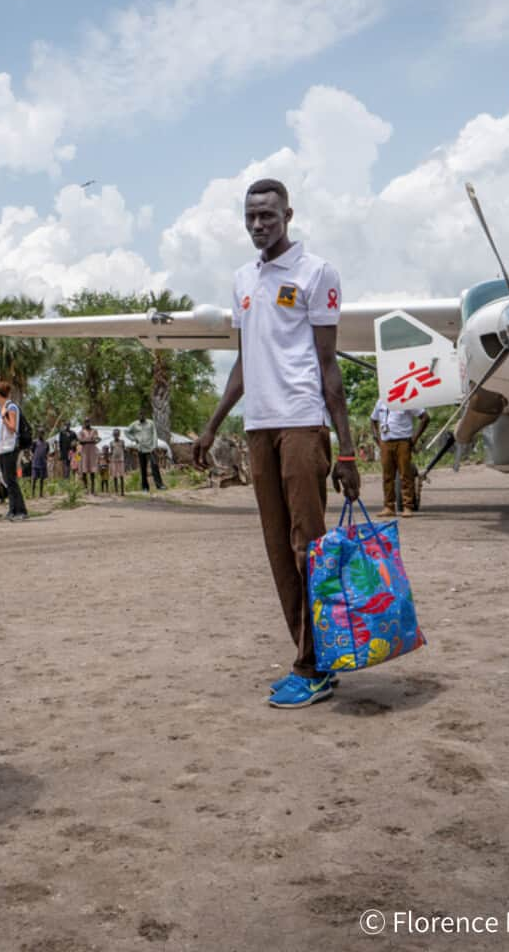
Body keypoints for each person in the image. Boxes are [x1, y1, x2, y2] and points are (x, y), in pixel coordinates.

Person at [194, 178, 359, 710]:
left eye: (268, 215)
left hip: (302, 425)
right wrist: (214, 424)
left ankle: (315, 666)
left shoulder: (316, 273)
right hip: (259, 428)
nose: (258, 225)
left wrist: (348, 449)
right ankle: (310, 660)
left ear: (288, 214)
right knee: (277, 551)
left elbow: (329, 366)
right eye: (250, 217)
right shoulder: (244, 278)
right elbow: (245, 361)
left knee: (308, 546)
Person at [370, 397, 429, 518]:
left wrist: (414, 438)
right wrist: (377, 438)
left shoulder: (406, 399)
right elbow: (373, 420)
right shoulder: (380, 401)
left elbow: (425, 417)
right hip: (386, 442)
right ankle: (389, 507)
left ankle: (407, 506)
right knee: (387, 476)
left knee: (405, 475)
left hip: (403, 441)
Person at [0, 381, 28, 520]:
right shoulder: (0, 408)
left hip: (10, 447)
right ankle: (14, 509)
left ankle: (20, 510)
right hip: (1, 448)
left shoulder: (11, 407)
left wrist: (4, 418)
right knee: (7, 479)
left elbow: (13, 427)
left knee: (11, 479)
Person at [126, 406, 165, 492]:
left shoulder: (150, 423)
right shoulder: (134, 424)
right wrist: (133, 439)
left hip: (151, 448)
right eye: (139, 415)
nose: (141, 417)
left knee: (154, 466)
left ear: (145, 416)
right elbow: (126, 432)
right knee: (143, 468)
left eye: (142, 415)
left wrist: (155, 446)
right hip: (141, 448)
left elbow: (155, 434)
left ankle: (160, 485)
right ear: (138, 416)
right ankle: (145, 487)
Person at [78, 418, 100, 493]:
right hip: (84, 453)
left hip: (92, 452)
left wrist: (87, 440)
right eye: (85, 422)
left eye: (88, 421)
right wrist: (91, 440)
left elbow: (98, 439)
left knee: (92, 470)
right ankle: (85, 488)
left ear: (90, 422)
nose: (87, 423)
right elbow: (80, 441)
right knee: (84, 470)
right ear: (84, 423)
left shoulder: (94, 431)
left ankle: (93, 489)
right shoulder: (81, 432)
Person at [30, 430, 49, 498]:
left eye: (42, 433)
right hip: (35, 463)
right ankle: (32, 493)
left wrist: (45, 459)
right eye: (39, 433)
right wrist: (33, 457)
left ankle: (41, 494)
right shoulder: (35, 442)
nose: (40, 435)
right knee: (34, 478)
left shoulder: (46, 443)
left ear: (43, 434)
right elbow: (32, 451)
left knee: (41, 479)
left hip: (42, 463)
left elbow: (47, 451)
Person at [109, 428, 126, 496]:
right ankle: (116, 490)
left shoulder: (122, 442)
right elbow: (111, 451)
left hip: (121, 460)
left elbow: (124, 449)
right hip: (114, 461)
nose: (116, 435)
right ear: (113, 435)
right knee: (115, 475)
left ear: (119, 435)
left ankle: (122, 491)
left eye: (117, 434)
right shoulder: (111, 443)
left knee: (121, 475)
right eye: (115, 434)